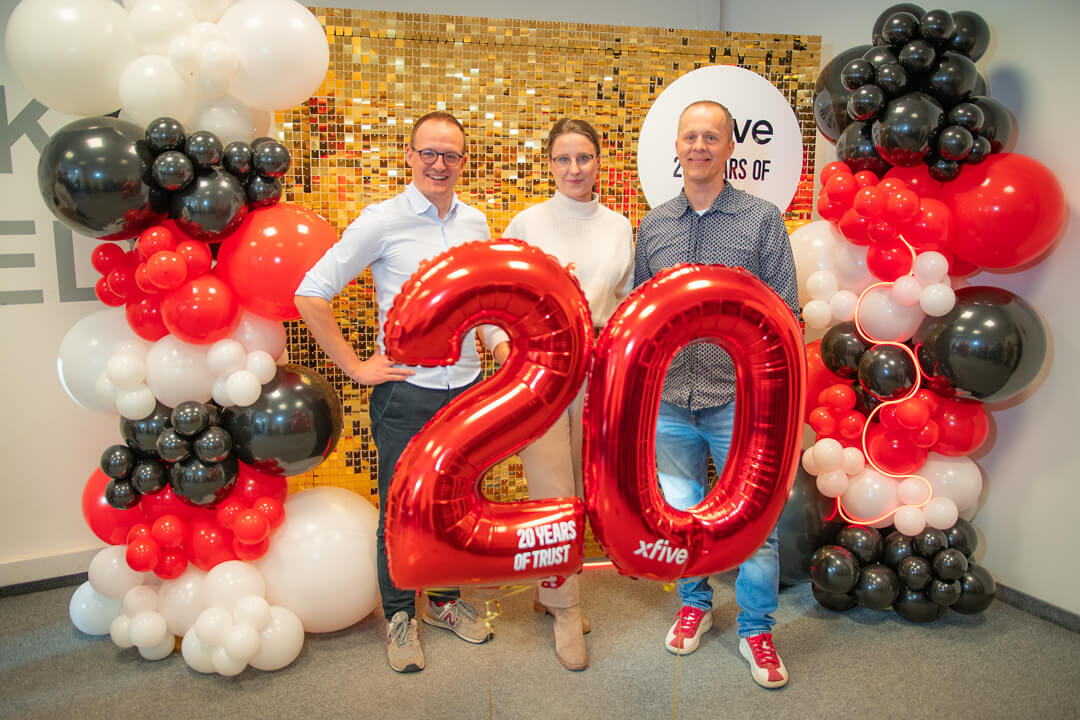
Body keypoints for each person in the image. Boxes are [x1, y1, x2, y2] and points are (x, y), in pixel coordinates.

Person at [294, 111, 494, 674]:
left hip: (465, 392)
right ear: (409, 157)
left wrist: (491, 350)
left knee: (457, 504)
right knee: (402, 511)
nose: (439, 164)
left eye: (450, 155)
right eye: (428, 153)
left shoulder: (476, 223)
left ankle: (446, 603)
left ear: (462, 161)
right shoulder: (381, 222)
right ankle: (401, 614)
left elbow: (476, 304)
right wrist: (357, 367)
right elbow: (312, 293)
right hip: (406, 394)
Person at [634, 100, 800, 689]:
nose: (699, 146)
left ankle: (757, 628)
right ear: (676, 147)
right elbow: (639, 319)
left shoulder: (761, 221)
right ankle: (695, 604)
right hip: (671, 402)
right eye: (690, 137)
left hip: (740, 402)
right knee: (680, 512)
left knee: (757, 523)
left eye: (711, 137)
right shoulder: (653, 227)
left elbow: (788, 317)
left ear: (731, 148)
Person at [481, 118, 634, 671]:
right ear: (549, 163)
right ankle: (568, 610)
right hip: (539, 379)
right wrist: (505, 352)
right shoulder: (527, 221)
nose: (574, 169)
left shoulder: (618, 227)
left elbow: (622, 302)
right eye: (564, 159)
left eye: (584, 159)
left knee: (581, 491)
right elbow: (496, 296)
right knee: (553, 495)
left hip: (593, 379)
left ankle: (552, 592)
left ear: (599, 163)